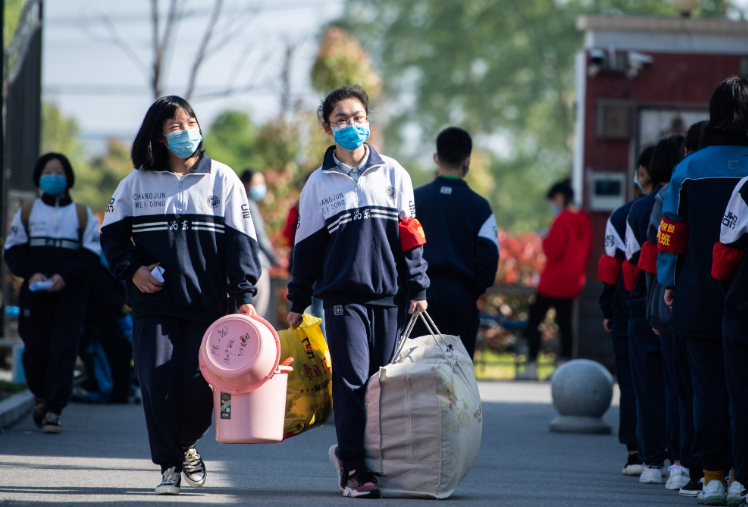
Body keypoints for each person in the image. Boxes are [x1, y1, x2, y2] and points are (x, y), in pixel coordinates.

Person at [100, 96, 261, 495]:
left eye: (190, 123)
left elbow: (242, 244)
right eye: (175, 126)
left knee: (198, 389)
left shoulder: (223, 180)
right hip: (152, 304)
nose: (186, 132)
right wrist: (133, 270)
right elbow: (112, 238)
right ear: (159, 135)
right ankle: (169, 466)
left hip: (207, 307)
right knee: (156, 384)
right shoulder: (134, 183)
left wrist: (244, 296)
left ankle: (185, 443)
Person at [285, 85, 429, 498]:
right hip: (342, 299)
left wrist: (418, 286)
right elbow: (307, 249)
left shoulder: (394, 174)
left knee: (381, 384)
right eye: (341, 120)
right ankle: (353, 468)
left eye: (358, 117)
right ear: (328, 128)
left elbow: (411, 236)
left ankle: (373, 461)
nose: (351, 125)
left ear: (369, 121)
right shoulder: (318, 184)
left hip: (390, 297)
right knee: (350, 383)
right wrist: (299, 300)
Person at [658, 77, 748, 506]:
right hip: (746, 296)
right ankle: (741, 478)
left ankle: (711, 478)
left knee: (707, 388)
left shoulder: (688, 169)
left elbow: (670, 233)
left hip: (698, 293)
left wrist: (668, 282)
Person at [3, 153, 101, 434]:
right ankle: (41, 397)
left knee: (63, 349)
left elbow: (91, 255)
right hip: (35, 294)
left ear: (68, 177)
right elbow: (12, 250)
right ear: (39, 176)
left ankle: (54, 411)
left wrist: (64, 276)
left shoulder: (82, 214)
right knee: (35, 350)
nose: (54, 176)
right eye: (48, 171)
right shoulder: (27, 212)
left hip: (70, 294)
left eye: (59, 171)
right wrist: (32, 273)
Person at [647, 121, 707, 497]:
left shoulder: (679, 183)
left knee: (683, 388)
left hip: (684, 301)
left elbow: (664, 239)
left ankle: (685, 465)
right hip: (730, 296)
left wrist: (668, 285)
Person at [625, 135, 683, 485]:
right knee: (677, 386)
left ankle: (650, 460)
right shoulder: (678, 198)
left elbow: (634, 264)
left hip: (640, 307)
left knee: (645, 387)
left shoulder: (634, 210)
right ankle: (678, 458)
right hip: (672, 306)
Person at [411, 127, 499, 358]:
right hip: (461, 294)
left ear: (436, 158)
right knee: (457, 372)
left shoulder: (414, 199)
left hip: (420, 295)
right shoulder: (479, 206)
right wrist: (472, 290)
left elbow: (396, 247)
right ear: (467, 161)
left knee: (419, 370)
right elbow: (489, 255)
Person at [597, 145, 655, 476]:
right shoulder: (673, 205)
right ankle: (671, 455)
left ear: (642, 172)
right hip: (667, 305)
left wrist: (607, 307)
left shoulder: (623, 214)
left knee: (632, 382)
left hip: (627, 307)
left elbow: (610, 267)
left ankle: (636, 452)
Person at [517, 180, 591, 380]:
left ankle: (532, 366)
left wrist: (545, 238)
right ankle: (563, 367)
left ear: (559, 197)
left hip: (553, 282)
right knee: (565, 325)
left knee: (534, 322)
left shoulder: (562, 220)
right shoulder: (585, 220)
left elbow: (552, 251)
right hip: (573, 282)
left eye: (553, 200)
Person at [240, 169, 281, 318]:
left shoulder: (237, 203)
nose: (260, 187)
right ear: (245, 183)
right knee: (258, 314)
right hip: (258, 265)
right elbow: (260, 237)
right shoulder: (249, 204)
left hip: (244, 265)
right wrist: (276, 259)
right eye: (256, 183)